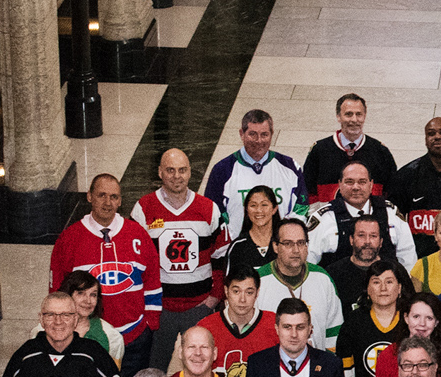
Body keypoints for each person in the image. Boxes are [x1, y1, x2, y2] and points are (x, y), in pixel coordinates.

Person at [49, 173, 160, 356]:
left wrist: (150, 323)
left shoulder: (138, 234)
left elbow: (153, 279)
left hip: (134, 337)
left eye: (113, 197)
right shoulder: (69, 239)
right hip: (89, 338)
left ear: (120, 201)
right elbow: (57, 293)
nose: (108, 203)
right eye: (101, 195)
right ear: (89, 196)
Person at [131, 148, 222, 357]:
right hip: (159, 309)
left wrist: (213, 299)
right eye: (170, 170)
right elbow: (135, 262)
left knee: (201, 367)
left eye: (182, 170)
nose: (177, 176)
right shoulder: (143, 208)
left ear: (190, 172)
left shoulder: (208, 209)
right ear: (160, 172)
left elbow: (221, 257)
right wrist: (146, 302)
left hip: (200, 306)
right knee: (154, 368)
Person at [243, 297, 347, 377]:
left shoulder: (331, 365)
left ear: (310, 329)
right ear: (277, 329)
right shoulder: (257, 364)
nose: (294, 334)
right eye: (287, 327)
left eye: (300, 327)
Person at [204, 107, 304, 227]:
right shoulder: (221, 171)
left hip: (279, 243)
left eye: (264, 135)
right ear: (242, 134)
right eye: (252, 134)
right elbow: (213, 215)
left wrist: (284, 236)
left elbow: (302, 208)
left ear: (272, 134)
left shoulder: (290, 167)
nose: (259, 141)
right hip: (238, 244)